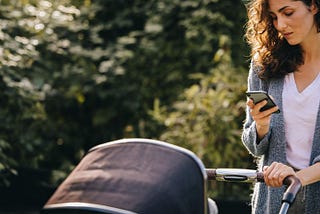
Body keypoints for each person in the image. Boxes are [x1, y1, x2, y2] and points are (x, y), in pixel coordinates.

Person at [241, 0, 320, 213]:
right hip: (273, 200)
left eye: (288, 13)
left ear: (313, 6)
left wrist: (296, 179)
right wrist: (261, 125)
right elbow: (254, 147)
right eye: (274, 17)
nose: (280, 25)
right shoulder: (265, 63)